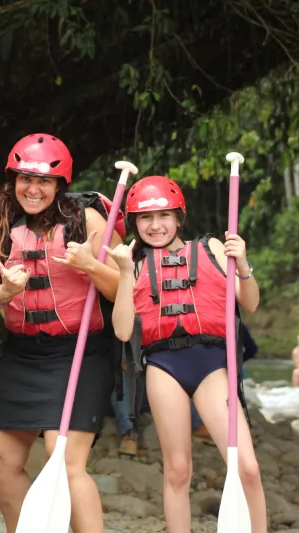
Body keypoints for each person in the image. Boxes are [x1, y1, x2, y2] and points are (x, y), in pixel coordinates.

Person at [0, 134, 123, 533]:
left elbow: (127, 289)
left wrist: (91, 265)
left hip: (80, 352)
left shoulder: (86, 221)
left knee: (65, 459)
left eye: (43, 182)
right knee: (0, 458)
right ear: (13, 180)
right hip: (22, 354)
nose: (33, 190)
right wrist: (3, 292)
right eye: (25, 179)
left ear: (59, 186)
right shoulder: (3, 226)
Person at [105, 175, 267, 532]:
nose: (156, 225)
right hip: (164, 366)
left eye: (164, 215)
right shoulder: (134, 264)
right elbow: (121, 330)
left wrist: (242, 265)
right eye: (146, 218)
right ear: (134, 223)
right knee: (177, 470)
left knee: (248, 467)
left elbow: (250, 304)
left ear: (179, 218)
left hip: (212, 366)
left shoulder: (210, 247)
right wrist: (122, 273)